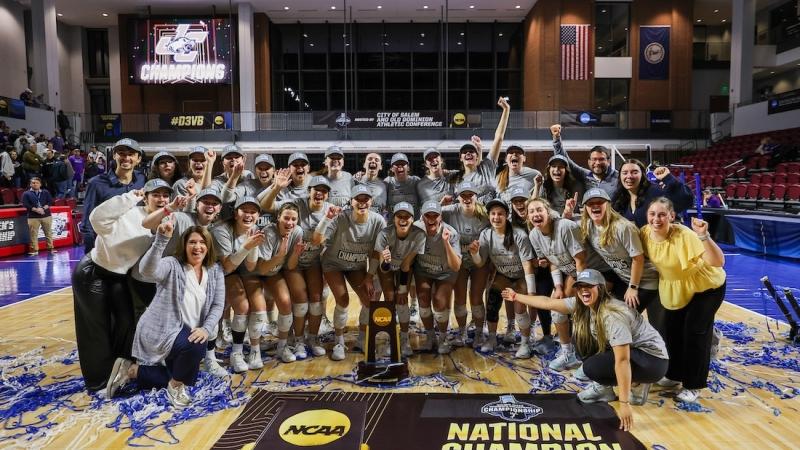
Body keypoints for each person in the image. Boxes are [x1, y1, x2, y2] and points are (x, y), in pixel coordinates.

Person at [502, 269, 669, 432]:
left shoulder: (613, 315)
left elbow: (622, 360)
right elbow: (547, 302)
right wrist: (516, 296)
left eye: (589, 286)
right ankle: (605, 390)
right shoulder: (582, 304)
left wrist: (624, 404)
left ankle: (638, 383)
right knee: (581, 339)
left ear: (601, 289)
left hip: (653, 361)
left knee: (592, 368)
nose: (584, 290)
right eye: (580, 286)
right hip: (635, 354)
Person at [105, 224, 225, 408]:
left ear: (208, 247)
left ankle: (132, 370)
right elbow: (146, 270)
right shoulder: (172, 264)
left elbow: (218, 305)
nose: (197, 247)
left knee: (188, 374)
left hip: (185, 332)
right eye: (192, 242)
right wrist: (161, 241)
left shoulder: (215, 270)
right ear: (184, 245)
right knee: (196, 348)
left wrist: (206, 329)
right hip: (162, 330)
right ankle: (175, 387)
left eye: (202, 242)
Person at [72, 181, 166, 392]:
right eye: (156, 195)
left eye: (165, 195)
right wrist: (129, 198)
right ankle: (98, 381)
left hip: (119, 277)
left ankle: (121, 369)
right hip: (93, 272)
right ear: (146, 197)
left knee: (126, 321)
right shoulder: (130, 214)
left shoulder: (165, 221)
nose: (161, 199)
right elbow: (96, 219)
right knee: (96, 329)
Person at [641, 197, 726, 404]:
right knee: (671, 332)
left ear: (671, 216)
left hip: (706, 287)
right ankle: (674, 374)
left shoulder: (684, 235)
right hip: (675, 287)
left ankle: (693, 385)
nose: (656, 219)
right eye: (652, 214)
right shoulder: (644, 233)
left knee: (694, 332)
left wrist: (703, 235)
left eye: (662, 214)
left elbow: (718, 261)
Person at [526, 197, 609, 370]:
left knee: (589, 314)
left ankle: (596, 360)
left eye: (539, 210)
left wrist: (582, 290)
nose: (536, 214)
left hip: (598, 273)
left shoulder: (565, 227)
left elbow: (581, 261)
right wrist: (558, 287)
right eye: (531, 211)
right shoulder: (534, 235)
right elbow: (553, 261)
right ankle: (568, 353)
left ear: (548, 212)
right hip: (574, 274)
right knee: (557, 310)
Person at [262, 175, 334, 359]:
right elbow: (267, 205)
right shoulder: (295, 204)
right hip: (292, 262)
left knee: (316, 300)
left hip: (314, 261)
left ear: (327, 195)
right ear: (309, 191)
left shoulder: (330, 211)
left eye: (324, 191)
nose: (320, 193)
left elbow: (319, 240)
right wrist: (276, 188)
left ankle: (313, 338)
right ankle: (299, 340)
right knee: (300, 301)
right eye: (316, 189)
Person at [313, 185, 384, 360]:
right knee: (343, 299)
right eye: (358, 199)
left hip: (356, 266)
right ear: (351, 201)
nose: (362, 202)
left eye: (366, 199)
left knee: (369, 300)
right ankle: (339, 341)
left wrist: (369, 276)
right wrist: (327, 219)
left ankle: (362, 338)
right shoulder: (340, 218)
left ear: (371, 201)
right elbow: (317, 240)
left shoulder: (378, 221)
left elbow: (377, 252)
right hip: (333, 264)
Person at [580, 188, 664, 337]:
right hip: (624, 279)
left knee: (619, 319)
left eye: (599, 202)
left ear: (608, 205)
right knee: (603, 312)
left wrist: (633, 287)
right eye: (590, 203)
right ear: (585, 208)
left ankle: (628, 347)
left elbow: (638, 258)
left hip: (646, 282)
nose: (595, 205)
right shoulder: (588, 225)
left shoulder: (623, 227)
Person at [469, 198, 537, 357]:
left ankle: (525, 343)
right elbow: (480, 263)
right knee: (492, 299)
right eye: (493, 214)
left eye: (500, 214)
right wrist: (474, 253)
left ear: (507, 216)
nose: (496, 217)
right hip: (504, 275)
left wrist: (531, 292)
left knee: (520, 308)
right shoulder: (486, 234)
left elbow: (527, 265)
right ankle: (492, 338)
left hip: (521, 276)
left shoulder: (519, 235)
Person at [211, 197, 266, 372]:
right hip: (221, 270)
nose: (249, 215)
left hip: (242, 269)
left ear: (258, 216)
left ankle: (255, 351)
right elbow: (227, 266)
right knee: (242, 307)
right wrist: (247, 246)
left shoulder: (255, 230)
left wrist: (252, 246)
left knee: (259, 306)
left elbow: (250, 266)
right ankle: (236, 352)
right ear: (236, 214)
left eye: (253, 212)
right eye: (244, 211)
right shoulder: (221, 230)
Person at [442, 182, 490, 348]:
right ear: (458, 197)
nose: (467, 198)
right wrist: (440, 203)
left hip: (479, 259)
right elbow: (426, 216)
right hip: (460, 260)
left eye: (471, 195)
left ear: (476, 197)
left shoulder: (485, 214)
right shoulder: (449, 211)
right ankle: (462, 331)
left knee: (476, 297)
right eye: (463, 195)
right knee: (460, 297)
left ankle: (479, 332)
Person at [255, 202, 304, 363]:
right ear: (278, 218)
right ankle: (253, 345)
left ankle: (282, 346)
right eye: (286, 218)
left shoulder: (297, 232)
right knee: (254, 306)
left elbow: (290, 266)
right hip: (255, 272)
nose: (290, 222)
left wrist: (295, 254)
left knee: (285, 302)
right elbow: (262, 269)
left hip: (273, 271)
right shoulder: (269, 233)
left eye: (294, 219)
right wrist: (280, 255)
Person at [375, 202, 426, 356]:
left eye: (407, 216)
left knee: (402, 300)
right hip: (387, 268)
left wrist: (403, 288)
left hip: (405, 266)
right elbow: (383, 268)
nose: (403, 219)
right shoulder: (384, 234)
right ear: (394, 218)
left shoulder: (419, 235)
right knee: (390, 298)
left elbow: (406, 265)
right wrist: (386, 261)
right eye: (399, 216)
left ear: (412, 219)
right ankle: (390, 338)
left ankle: (404, 338)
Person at [80, 138, 147, 252]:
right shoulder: (96, 184)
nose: (126, 158)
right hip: (108, 252)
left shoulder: (142, 179)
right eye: (122, 154)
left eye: (131, 154)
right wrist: (91, 253)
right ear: (114, 156)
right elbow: (87, 223)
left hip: (136, 248)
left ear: (138, 159)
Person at [413, 201, 462, 354]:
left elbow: (456, 266)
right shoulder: (415, 229)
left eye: (435, 215)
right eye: (428, 215)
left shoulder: (451, 233)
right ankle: (430, 337)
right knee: (423, 299)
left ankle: (443, 338)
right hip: (423, 270)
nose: (431, 219)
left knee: (440, 301)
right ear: (422, 217)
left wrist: (446, 243)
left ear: (441, 217)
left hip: (445, 272)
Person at [612, 159, 693, 228]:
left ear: (643, 175)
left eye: (635, 172)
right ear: (620, 176)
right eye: (625, 173)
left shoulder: (655, 192)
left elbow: (686, 200)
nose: (629, 176)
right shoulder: (619, 197)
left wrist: (668, 178)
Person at [550, 124, 619, 198]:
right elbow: (565, 160)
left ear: (608, 161)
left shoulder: (619, 178)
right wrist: (556, 138)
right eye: (594, 159)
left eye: (601, 159)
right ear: (589, 161)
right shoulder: (586, 176)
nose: (597, 163)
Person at [533, 154, 585, 220]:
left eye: (561, 167)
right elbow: (532, 205)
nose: (557, 169)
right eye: (554, 166)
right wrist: (537, 186)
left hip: (570, 220)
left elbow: (582, 210)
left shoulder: (576, 186)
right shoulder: (543, 185)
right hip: (550, 221)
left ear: (566, 170)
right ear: (549, 169)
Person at [21, 177, 55, 256]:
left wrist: (43, 208)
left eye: (37, 183)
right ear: (30, 184)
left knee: (48, 233)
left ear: (40, 184)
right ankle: (34, 250)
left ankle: (50, 248)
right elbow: (25, 204)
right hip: (33, 217)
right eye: (33, 183)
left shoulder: (45, 192)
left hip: (46, 216)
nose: (35, 184)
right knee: (33, 234)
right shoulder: (26, 194)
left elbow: (50, 201)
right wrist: (36, 210)